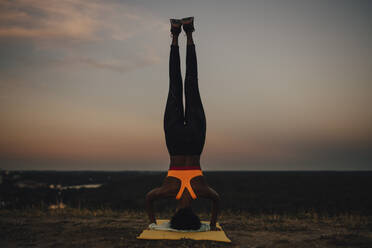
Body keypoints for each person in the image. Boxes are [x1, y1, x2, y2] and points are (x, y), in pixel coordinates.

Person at [145, 17, 220, 231]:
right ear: (175, 214)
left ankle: (188, 33)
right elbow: (148, 199)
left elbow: (217, 201)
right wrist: (152, 223)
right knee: (175, 84)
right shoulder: (167, 191)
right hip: (175, 140)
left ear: (193, 214)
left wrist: (212, 225)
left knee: (191, 83)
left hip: (195, 141)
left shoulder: (202, 190)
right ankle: (176, 35)